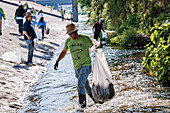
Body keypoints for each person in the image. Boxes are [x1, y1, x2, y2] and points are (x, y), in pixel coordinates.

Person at [54, 23, 96, 108]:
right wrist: (57, 61)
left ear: (76, 31)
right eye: (69, 34)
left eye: (72, 33)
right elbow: (63, 52)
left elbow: (94, 49)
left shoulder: (85, 39)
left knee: (80, 85)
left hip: (86, 66)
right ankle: (96, 99)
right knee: (85, 85)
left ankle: (82, 107)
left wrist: (99, 53)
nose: (71, 35)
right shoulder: (68, 41)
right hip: (77, 68)